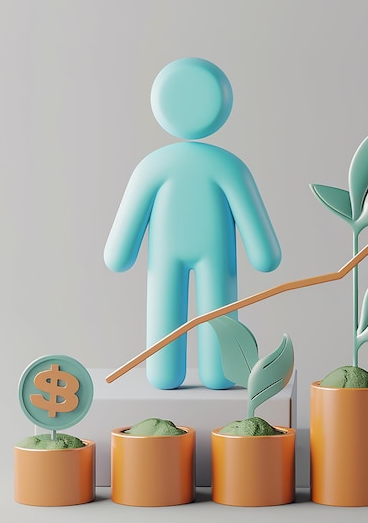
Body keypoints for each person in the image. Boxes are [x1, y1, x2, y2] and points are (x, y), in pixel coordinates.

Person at [104, 57, 281, 389]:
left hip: (166, 259)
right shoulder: (229, 165)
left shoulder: (152, 166)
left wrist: (120, 254)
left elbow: (119, 248)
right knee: (219, 310)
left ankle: (165, 372)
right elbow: (262, 243)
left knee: (164, 307)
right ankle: (219, 372)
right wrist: (263, 255)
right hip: (217, 258)